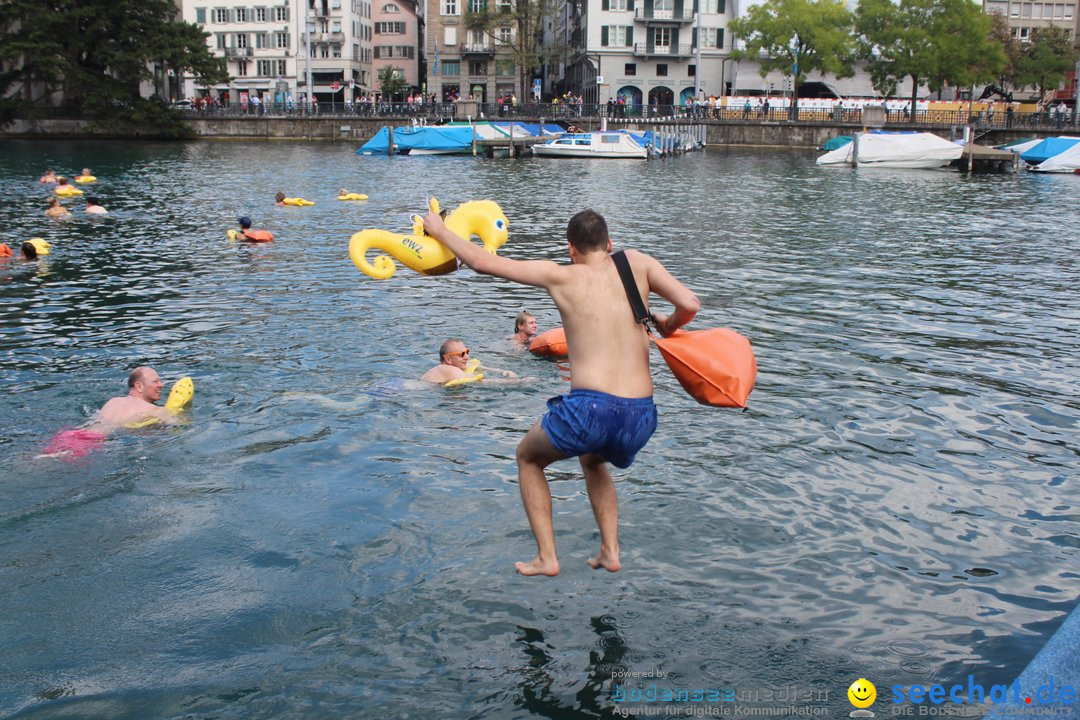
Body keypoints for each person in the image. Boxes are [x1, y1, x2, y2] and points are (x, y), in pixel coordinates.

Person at [423, 207, 700, 576]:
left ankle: (547, 557)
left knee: (528, 457)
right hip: (642, 415)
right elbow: (690, 305)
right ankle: (610, 550)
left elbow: (479, 261)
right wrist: (667, 323)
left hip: (591, 409)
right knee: (593, 459)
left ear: (571, 249)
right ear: (610, 243)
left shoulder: (560, 275)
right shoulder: (637, 262)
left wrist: (438, 228)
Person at [420, 339, 518, 384]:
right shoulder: (448, 370)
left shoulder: (455, 366)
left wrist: (501, 371)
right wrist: (516, 382)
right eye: (461, 354)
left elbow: (475, 366)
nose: (467, 357)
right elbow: (479, 381)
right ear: (448, 359)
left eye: (467, 352)